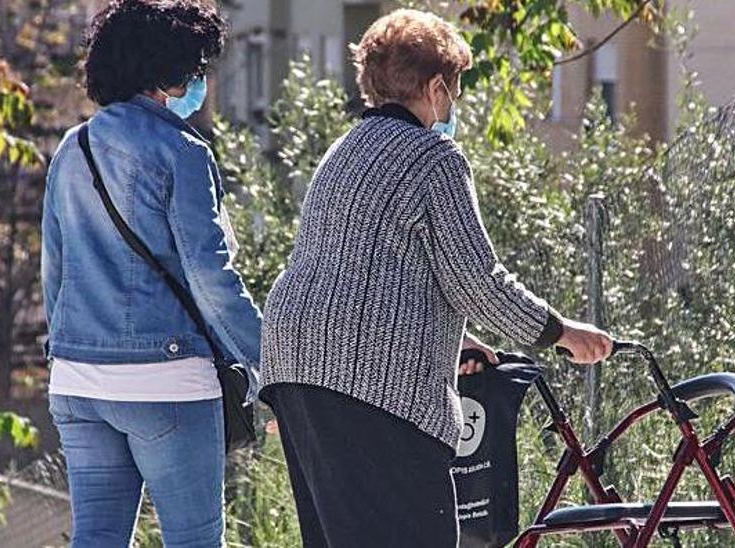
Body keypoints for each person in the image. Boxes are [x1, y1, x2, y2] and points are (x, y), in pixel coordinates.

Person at [258, 8, 613, 547]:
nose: (456, 103)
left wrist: (450, 336)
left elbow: (368, 269)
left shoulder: (342, 151)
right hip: (371, 383)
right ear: (436, 86)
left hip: (294, 361)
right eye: (457, 88)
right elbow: (477, 280)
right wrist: (560, 332)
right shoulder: (434, 156)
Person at [40, 1, 261, 546]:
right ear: (170, 70)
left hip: (76, 378)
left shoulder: (74, 147)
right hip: (166, 379)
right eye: (197, 68)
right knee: (194, 540)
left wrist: (69, 349)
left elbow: (55, 270)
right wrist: (268, 358)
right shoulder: (181, 151)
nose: (200, 80)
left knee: (96, 536)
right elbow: (211, 277)